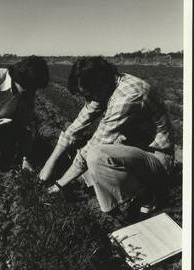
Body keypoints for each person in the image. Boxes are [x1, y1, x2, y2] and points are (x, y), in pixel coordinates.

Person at [40, 57, 174, 217]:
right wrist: (50, 163)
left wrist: (60, 184)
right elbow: (78, 124)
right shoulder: (108, 85)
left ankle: (137, 200)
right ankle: (111, 184)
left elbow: (94, 145)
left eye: (88, 95)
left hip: (155, 159)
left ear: (100, 85)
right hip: (133, 150)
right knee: (80, 143)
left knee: (95, 155)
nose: (87, 100)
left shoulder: (127, 97)